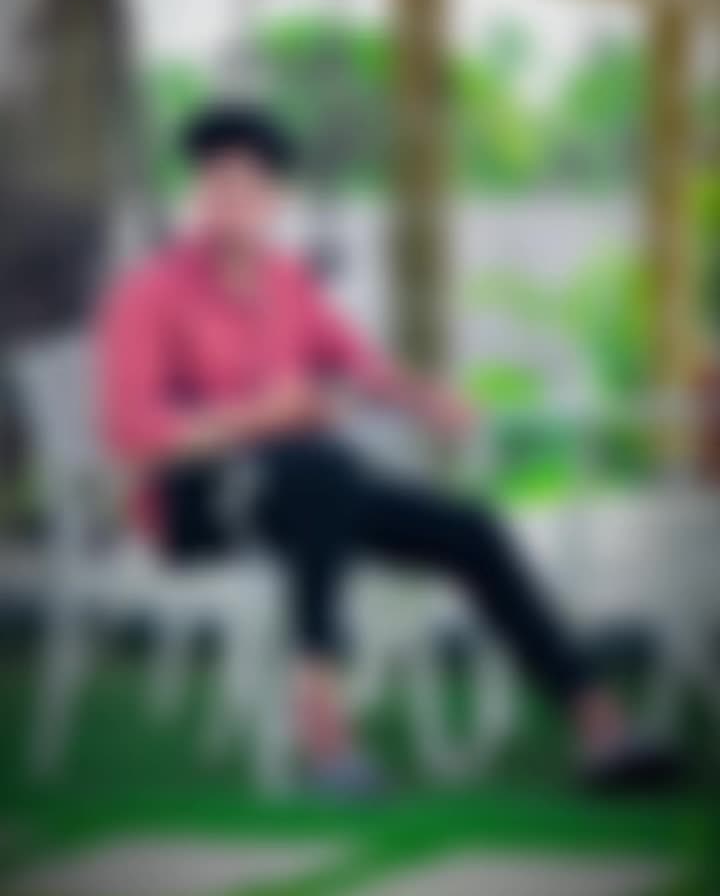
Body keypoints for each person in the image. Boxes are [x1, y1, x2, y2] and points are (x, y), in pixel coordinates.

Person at [98, 103, 676, 795]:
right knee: (321, 467)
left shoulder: (287, 281)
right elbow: (132, 433)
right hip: (192, 503)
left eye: (248, 187)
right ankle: (325, 732)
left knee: (470, 528)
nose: (231, 202)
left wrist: (423, 398)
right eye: (216, 184)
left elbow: (358, 364)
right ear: (196, 194)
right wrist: (260, 416)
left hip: (306, 494)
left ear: (277, 200)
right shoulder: (149, 292)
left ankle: (600, 724)